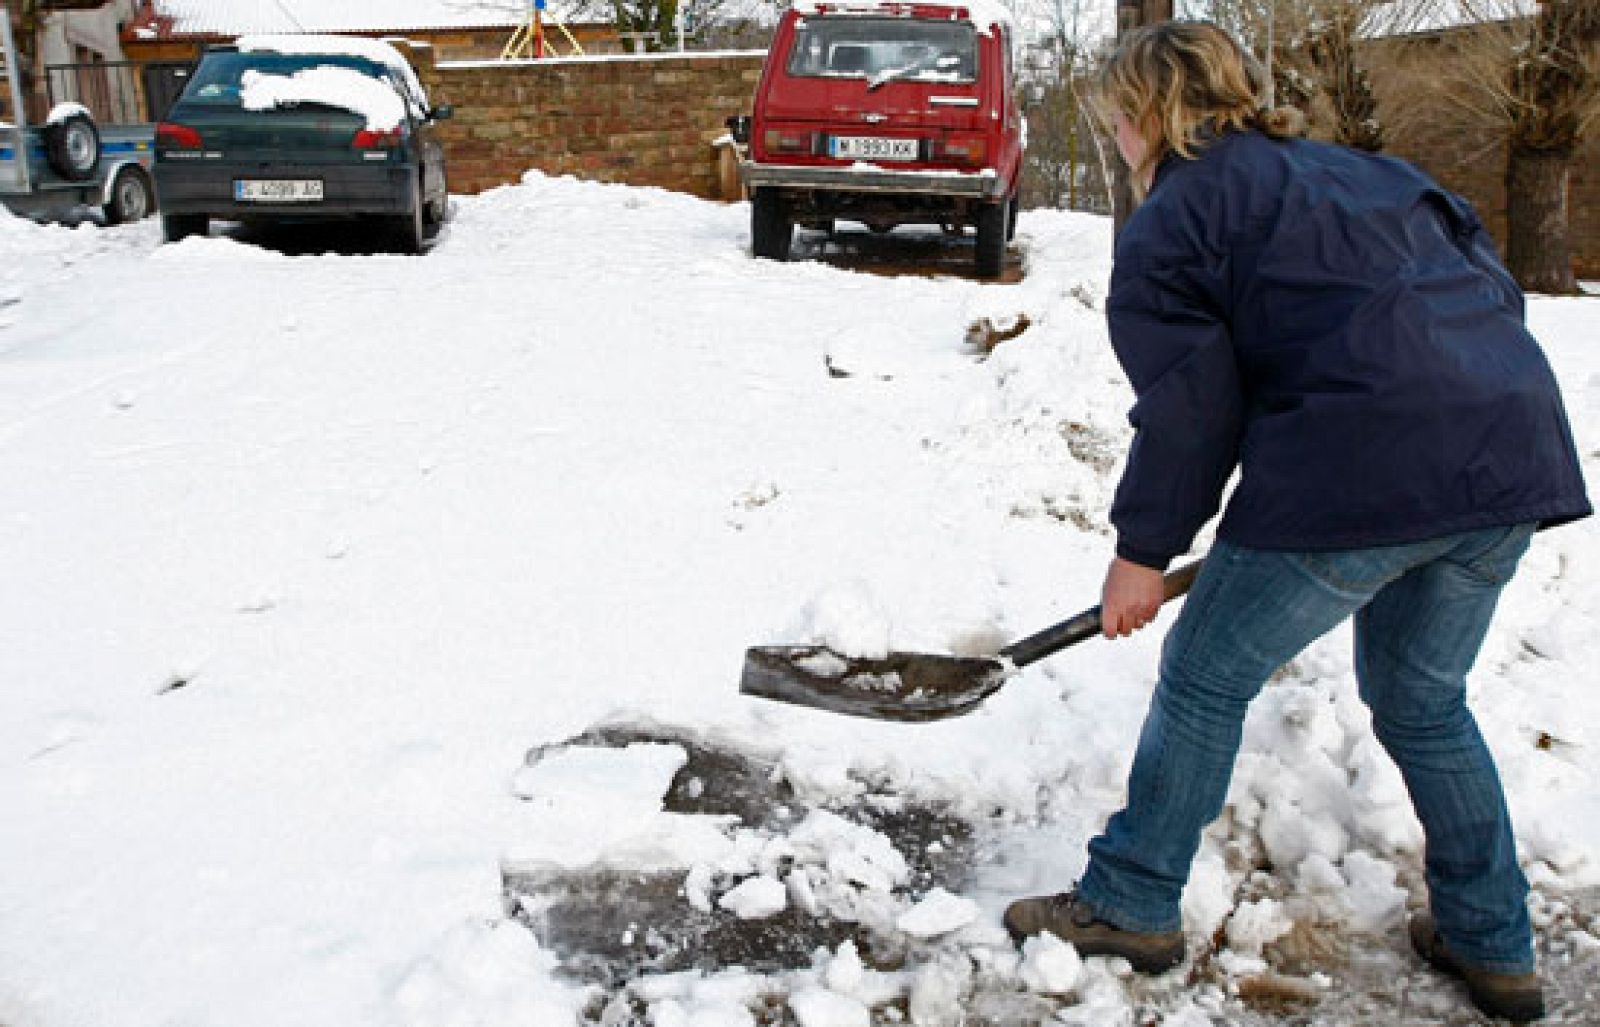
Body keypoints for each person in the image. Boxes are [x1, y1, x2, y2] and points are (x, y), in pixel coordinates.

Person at [1001, 20, 1590, 1024]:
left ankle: (1131, 899)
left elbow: (1191, 411)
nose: (1115, 133)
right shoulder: (1373, 174)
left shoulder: (1172, 220)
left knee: (1205, 673)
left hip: (1363, 470)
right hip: (1507, 454)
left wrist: (1142, 554)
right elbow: (1486, 298)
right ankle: (1493, 940)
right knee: (1421, 698)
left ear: (1140, 114)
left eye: (1115, 115)